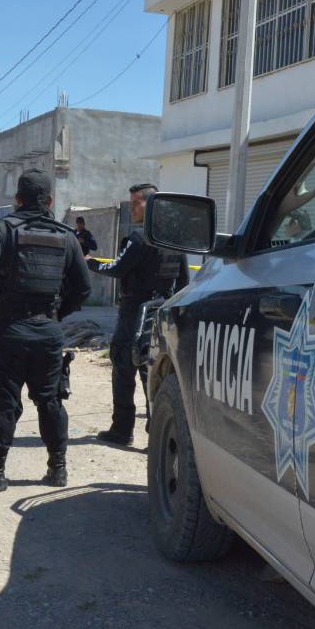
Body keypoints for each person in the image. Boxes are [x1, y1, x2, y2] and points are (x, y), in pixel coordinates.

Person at [0, 168, 91, 491]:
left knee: (3, 401)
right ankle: (58, 469)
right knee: (50, 401)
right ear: (50, 200)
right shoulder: (67, 237)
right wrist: (57, 313)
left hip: (9, 330)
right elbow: (84, 287)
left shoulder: (1, 230)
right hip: (48, 332)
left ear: (17, 200)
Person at [88, 183, 190, 446]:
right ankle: (156, 434)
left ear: (150, 204)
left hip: (134, 312)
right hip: (159, 314)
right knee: (152, 371)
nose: (131, 207)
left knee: (123, 367)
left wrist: (89, 262)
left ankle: (122, 429)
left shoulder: (140, 238)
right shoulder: (174, 238)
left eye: (136, 202)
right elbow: (184, 281)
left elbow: (118, 268)